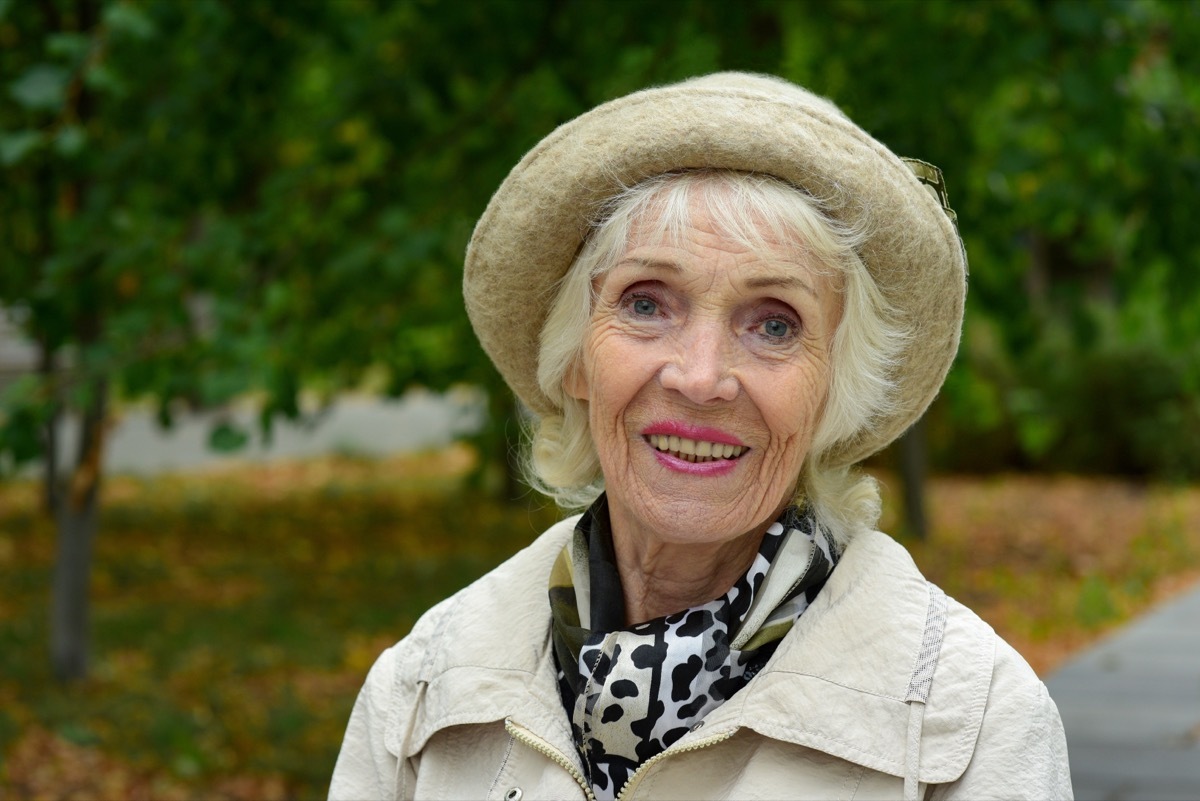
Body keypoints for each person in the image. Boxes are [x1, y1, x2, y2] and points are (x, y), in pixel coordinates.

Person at [329, 72, 1072, 800]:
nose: (700, 376)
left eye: (775, 323)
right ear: (578, 359)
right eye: (647, 303)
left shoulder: (969, 719)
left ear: (833, 392)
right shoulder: (425, 688)